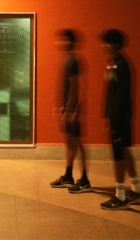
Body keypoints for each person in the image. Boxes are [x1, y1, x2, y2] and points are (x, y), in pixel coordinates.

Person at [99, 28, 140, 210]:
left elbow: (120, 97)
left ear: (113, 44)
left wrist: (112, 120)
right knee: (124, 150)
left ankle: (120, 196)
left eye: (105, 42)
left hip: (119, 118)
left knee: (118, 155)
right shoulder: (114, 63)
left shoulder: (121, 65)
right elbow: (111, 94)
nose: (102, 46)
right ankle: (137, 189)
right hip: (118, 116)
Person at [49, 29, 92, 193]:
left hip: (73, 109)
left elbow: (77, 85)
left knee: (79, 143)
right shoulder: (66, 60)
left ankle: (85, 180)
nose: (58, 43)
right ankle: (68, 175)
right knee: (70, 143)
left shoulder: (74, 60)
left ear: (68, 41)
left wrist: (72, 109)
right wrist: (61, 107)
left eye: (61, 40)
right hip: (67, 109)